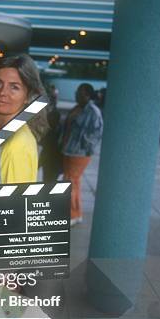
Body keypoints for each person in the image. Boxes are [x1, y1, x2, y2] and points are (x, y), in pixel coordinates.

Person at [0, 54, 47, 183]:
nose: (2, 93)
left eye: (14, 87)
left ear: (28, 96)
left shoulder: (16, 145)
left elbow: (11, 203)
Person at [61, 83, 103, 226]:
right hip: (68, 150)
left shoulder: (93, 111)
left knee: (71, 181)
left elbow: (96, 133)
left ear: (87, 95)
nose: (76, 94)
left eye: (80, 92)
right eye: (76, 91)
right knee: (71, 181)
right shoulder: (78, 108)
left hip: (79, 153)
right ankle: (76, 213)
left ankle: (73, 215)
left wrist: (83, 146)